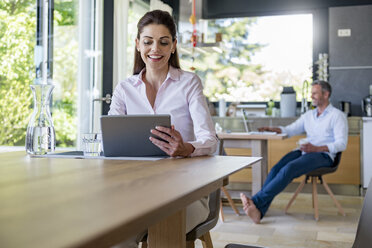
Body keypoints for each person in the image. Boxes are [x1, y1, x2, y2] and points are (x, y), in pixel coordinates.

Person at [108, 9, 218, 234]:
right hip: (137, 189)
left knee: (160, 227)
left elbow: (210, 140)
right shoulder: (124, 89)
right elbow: (109, 140)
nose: (155, 49)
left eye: (163, 42)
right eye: (148, 42)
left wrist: (186, 148)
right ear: (138, 44)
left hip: (187, 191)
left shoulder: (189, 83)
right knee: (112, 229)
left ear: (174, 45)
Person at [240, 80, 348, 224]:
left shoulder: (337, 116)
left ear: (326, 94)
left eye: (315, 93)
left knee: (289, 169)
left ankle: (255, 201)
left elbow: (341, 144)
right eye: (312, 93)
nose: (312, 96)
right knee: (276, 169)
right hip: (306, 151)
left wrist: (316, 148)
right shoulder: (309, 115)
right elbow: (290, 129)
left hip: (324, 155)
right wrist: (273, 129)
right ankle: (258, 212)